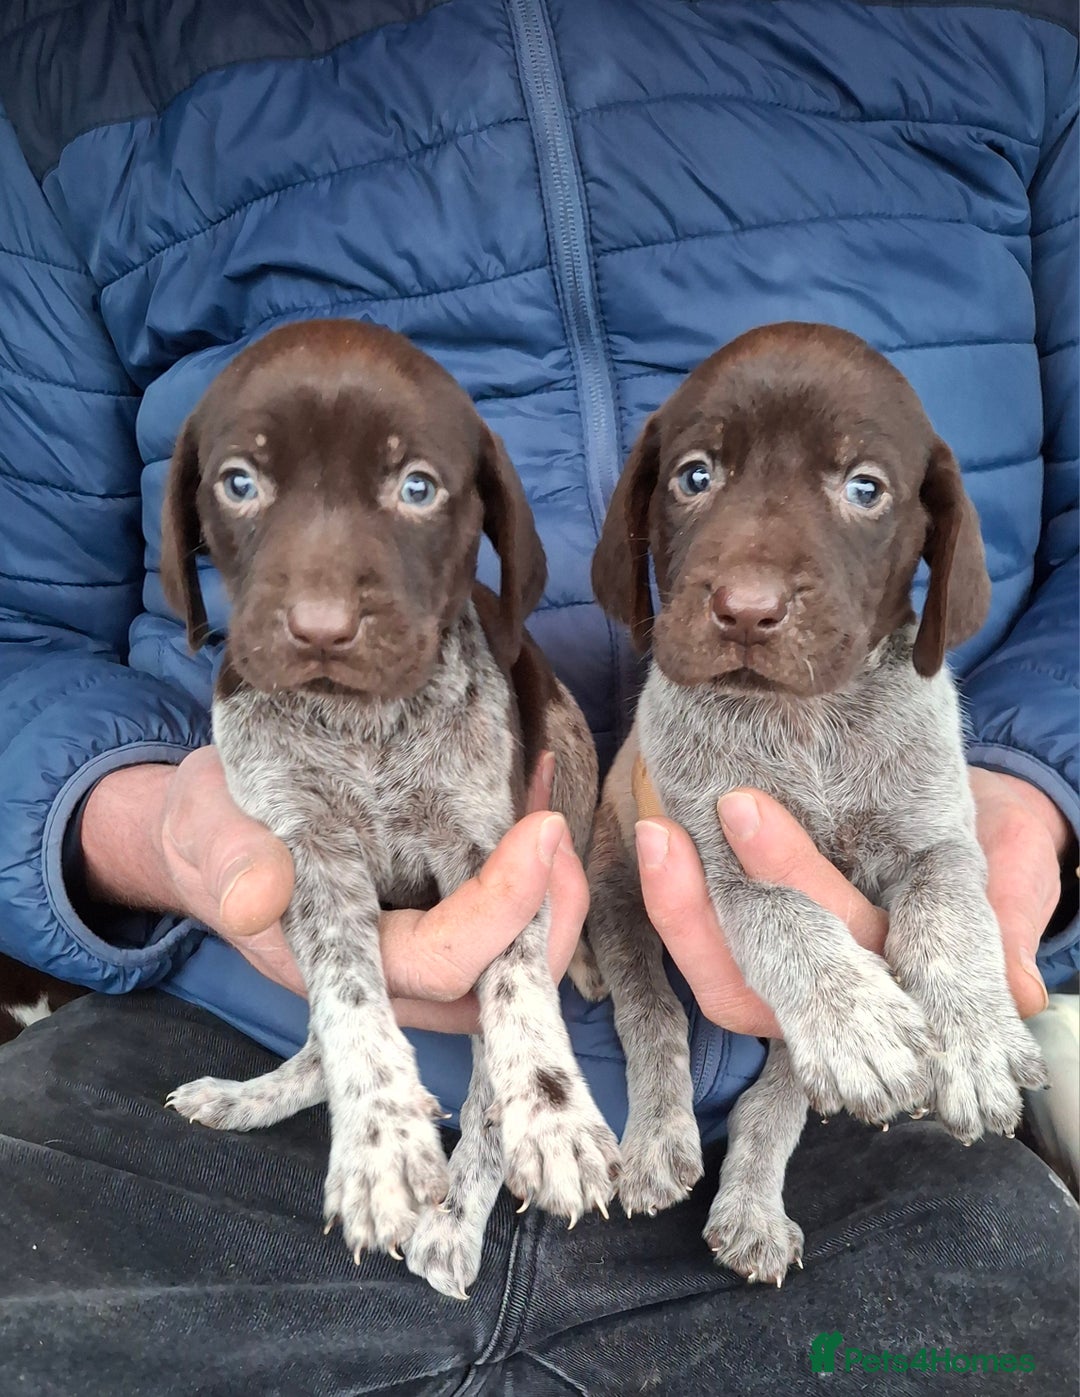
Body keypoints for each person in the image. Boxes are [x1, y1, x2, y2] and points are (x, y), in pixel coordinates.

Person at [0, 1, 1076, 1392]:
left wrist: (1028, 802)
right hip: (217, 1019)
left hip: (878, 1098)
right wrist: (155, 831)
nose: (323, 602)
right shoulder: (65, 64)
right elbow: (15, 626)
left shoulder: (1028, 38)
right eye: (249, 485)